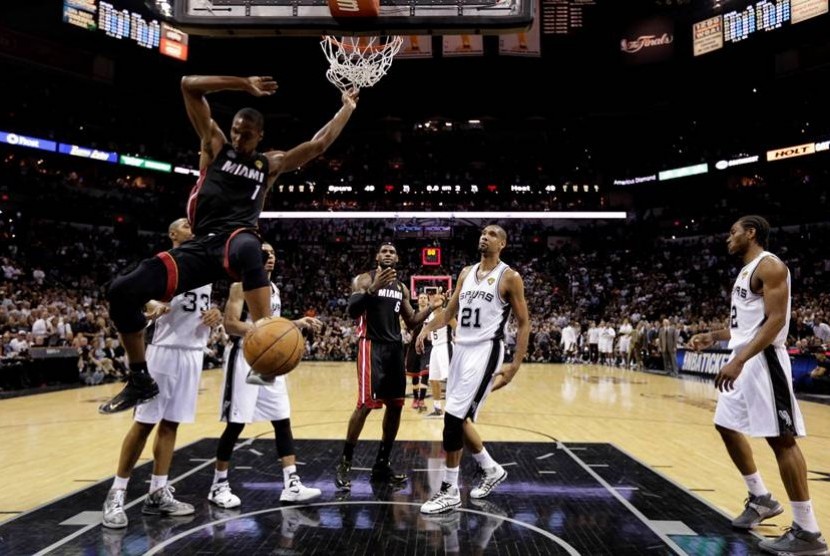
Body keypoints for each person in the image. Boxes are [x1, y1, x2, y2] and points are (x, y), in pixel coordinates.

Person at [99, 75, 359, 414]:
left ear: (260, 136)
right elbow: (188, 84)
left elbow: (318, 144)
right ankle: (138, 378)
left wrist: (347, 109)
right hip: (198, 247)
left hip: (235, 241)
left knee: (249, 246)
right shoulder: (215, 144)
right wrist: (243, 84)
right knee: (121, 291)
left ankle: (266, 330)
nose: (238, 137)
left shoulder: (269, 164)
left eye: (246, 134)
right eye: (235, 130)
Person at [689, 215, 826, 555]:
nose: (728, 238)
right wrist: (714, 336)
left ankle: (808, 531)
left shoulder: (771, 266)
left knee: (782, 439)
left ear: (751, 233)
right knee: (725, 425)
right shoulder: (746, 271)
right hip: (744, 359)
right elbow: (745, 326)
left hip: (763, 362)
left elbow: (776, 321)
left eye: (733, 232)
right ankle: (761, 498)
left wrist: (739, 360)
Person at [102, 218, 222, 529]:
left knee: (171, 425)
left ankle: (158, 491)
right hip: (164, 352)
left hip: (193, 354)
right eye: (184, 224)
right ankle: (116, 493)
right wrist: (152, 304)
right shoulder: (161, 266)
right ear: (172, 234)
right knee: (144, 424)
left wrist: (216, 313)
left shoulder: (204, 266)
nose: (190, 226)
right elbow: (134, 296)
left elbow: (201, 306)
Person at [417, 225, 530, 514]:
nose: (485, 236)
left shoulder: (509, 277)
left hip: (485, 351)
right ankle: (490, 469)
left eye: (492, 234)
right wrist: (426, 328)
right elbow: (449, 312)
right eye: (483, 233)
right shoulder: (466, 273)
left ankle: (450, 490)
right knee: (460, 416)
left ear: (502, 243)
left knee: (452, 419)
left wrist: (515, 365)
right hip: (461, 350)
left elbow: (524, 322)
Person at [208, 242, 323, 508]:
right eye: (264, 253)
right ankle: (218, 485)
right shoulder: (240, 285)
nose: (269, 257)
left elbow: (274, 329)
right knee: (236, 424)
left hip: (268, 361)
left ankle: (291, 483)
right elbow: (231, 323)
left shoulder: (274, 289)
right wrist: (260, 333)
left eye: (273, 253)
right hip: (246, 357)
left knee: (282, 419)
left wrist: (297, 323)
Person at [334, 242, 442, 490]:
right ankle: (344, 463)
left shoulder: (402, 287)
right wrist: (372, 289)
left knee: (395, 407)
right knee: (364, 406)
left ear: (397, 258)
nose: (388, 254)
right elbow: (352, 311)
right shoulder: (363, 280)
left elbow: (412, 320)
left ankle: (381, 466)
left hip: (394, 349)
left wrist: (430, 308)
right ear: (377, 257)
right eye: (384, 251)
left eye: (392, 252)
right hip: (371, 345)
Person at [418, 292, 456, 417]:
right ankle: (437, 408)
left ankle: (455, 409)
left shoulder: (447, 313)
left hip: (445, 346)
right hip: (435, 348)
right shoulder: (429, 315)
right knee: (433, 379)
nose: (434, 297)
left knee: (450, 379)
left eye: (438, 296)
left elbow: (457, 328)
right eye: (433, 296)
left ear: (443, 300)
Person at [405, 292, 431, 412]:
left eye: (425, 298)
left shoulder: (432, 313)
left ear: (428, 300)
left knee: (425, 373)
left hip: (428, 346)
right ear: (418, 300)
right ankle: (415, 398)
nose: (422, 300)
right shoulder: (413, 314)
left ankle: (422, 399)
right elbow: (406, 327)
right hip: (413, 347)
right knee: (415, 375)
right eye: (421, 298)